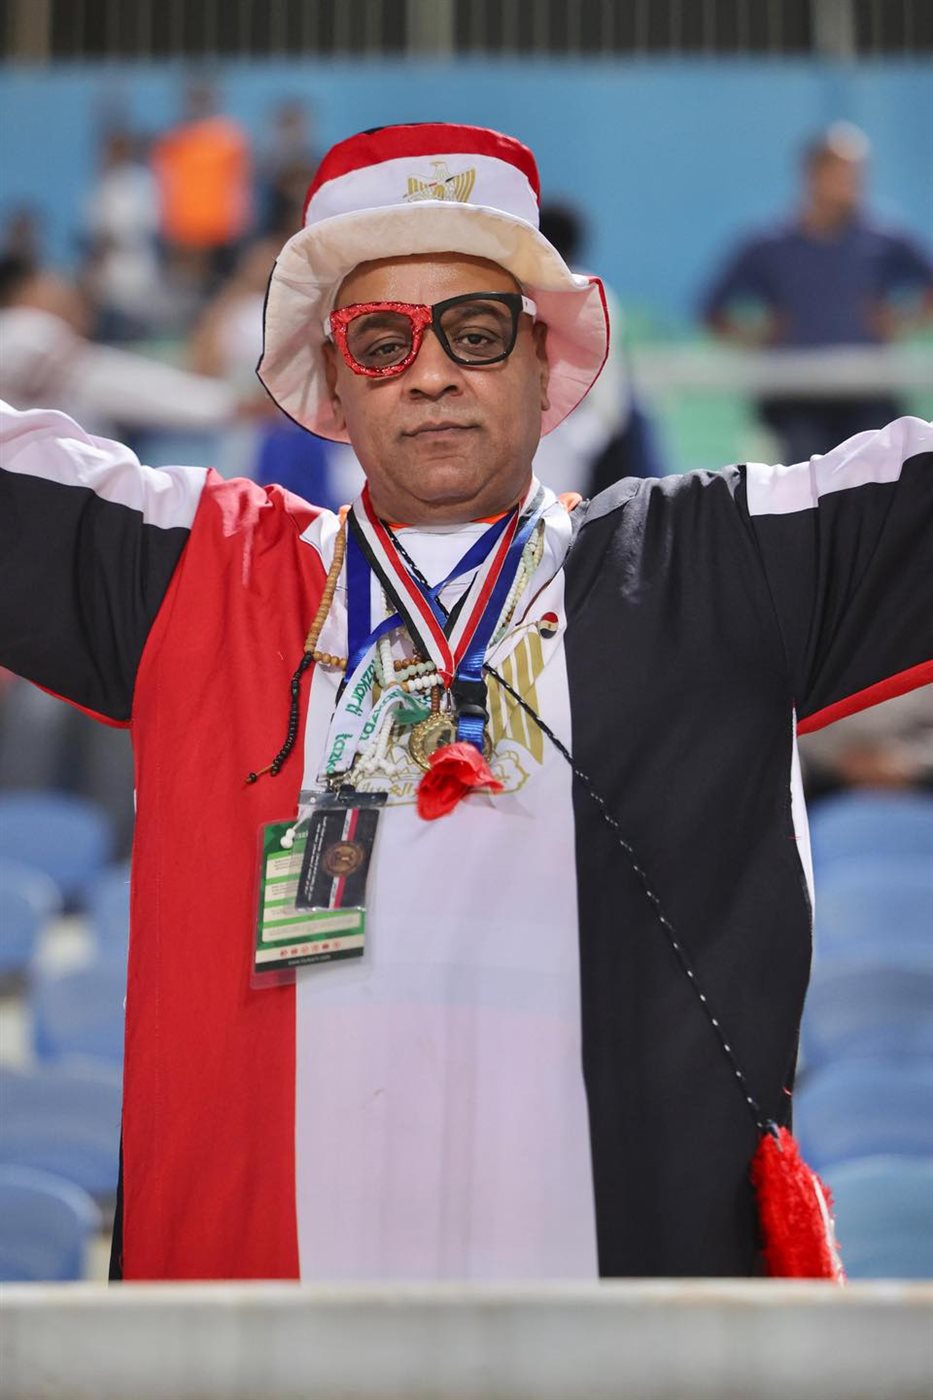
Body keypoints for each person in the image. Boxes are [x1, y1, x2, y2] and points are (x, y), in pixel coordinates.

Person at [1, 123, 930, 1284]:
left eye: (476, 331)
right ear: (335, 377)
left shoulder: (713, 565)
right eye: (381, 340)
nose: (431, 372)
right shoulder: (196, 575)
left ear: (545, 358)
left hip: (632, 1340)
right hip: (272, 1336)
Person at [701, 122, 933, 464]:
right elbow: (712, 310)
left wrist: (902, 321)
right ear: (812, 173)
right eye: (842, 172)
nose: (853, 182)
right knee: (807, 487)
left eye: (858, 172)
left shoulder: (886, 238)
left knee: (874, 484)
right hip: (795, 399)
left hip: (869, 395)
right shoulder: (770, 243)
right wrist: (758, 335)